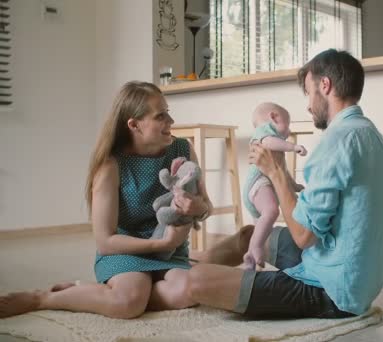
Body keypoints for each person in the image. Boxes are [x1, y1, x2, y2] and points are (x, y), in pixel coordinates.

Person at [186, 49, 383, 318]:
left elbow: (303, 236)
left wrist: (275, 171)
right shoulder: (370, 135)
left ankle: (176, 270)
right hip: (353, 272)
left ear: (325, 86)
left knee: (193, 281)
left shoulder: (337, 141)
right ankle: (186, 260)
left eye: (308, 92)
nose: (308, 104)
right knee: (249, 236)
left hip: (331, 290)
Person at [0, 81, 221, 319]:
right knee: (128, 303)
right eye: (161, 116)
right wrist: (161, 244)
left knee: (187, 294)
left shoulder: (182, 149)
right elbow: (106, 241)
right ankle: (42, 298)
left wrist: (198, 207)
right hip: (123, 251)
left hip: (170, 253)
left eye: (168, 113)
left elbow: (206, 206)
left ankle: (84, 291)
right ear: (134, 125)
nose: (171, 122)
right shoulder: (110, 165)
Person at [242, 102, 307, 270]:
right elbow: (269, 142)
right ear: (273, 117)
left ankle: (251, 257)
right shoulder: (264, 132)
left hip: (262, 187)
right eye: (288, 124)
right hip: (257, 184)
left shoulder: (276, 146)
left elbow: (282, 171)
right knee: (271, 211)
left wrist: (294, 185)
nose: (289, 131)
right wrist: (293, 147)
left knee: (264, 227)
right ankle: (255, 247)